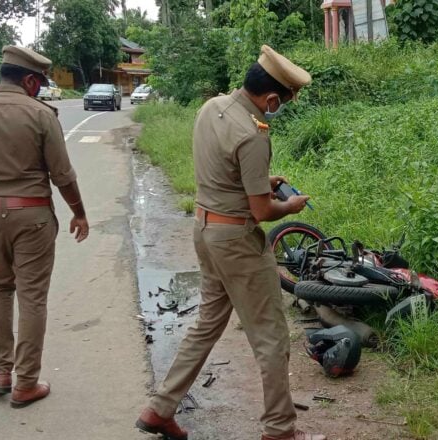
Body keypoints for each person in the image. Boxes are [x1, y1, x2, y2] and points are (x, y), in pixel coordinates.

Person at [135, 45, 326, 440]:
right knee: (271, 337)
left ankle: (160, 408)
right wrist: (288, 206)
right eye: (283, 102)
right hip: (237, 241)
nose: (280, 109)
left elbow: (226, 174)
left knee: (206, 325)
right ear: (272, 98)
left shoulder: (212, 107)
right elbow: (261, 212)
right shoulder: (253, 135)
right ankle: (280, 429)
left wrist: (262, 185)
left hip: (205, 230)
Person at [0, 46, 89, 408]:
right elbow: (62, 175)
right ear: (28, 80)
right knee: (32, 296)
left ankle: (0, 373)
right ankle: (26, 383)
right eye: (38, 82)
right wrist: (79, 212)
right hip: (32, 216)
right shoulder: (41, 114)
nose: (39, 89)